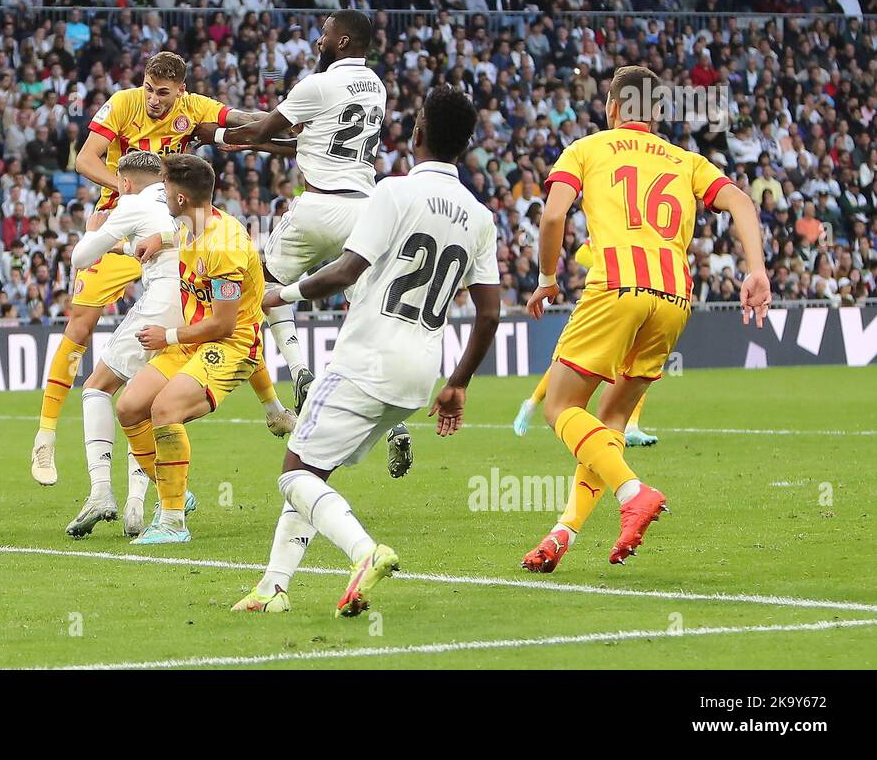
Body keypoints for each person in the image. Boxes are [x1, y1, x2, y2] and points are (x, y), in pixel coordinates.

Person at [235, 86, 501, 615]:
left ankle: (364, 553)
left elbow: (346, 270)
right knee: (314, 472)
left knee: (294, 474)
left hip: (365, 360)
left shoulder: (394, 193)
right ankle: (272, 589)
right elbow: (489, 312)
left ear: (417, 133)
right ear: (466, 147)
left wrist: (280, 294)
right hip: (420, 374)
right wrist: (458, 384)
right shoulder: (479, 217)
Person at [521, 65, 771, 573]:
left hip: (616, 287)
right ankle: (563, 533)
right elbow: (742, 203)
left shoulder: (588, 148)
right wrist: (756, 270)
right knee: (609, 421)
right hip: (675, 299)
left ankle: (633, 491)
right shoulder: (686, 161)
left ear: (612, 108)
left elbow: (551, 216)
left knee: (560, 406)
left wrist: (548, 277)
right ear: (656, 112)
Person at [30, 51, 294, 486]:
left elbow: (245, 118)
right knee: (80, 322)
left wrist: (292, 120)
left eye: (163, 93)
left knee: (223, 307)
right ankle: (45, 436)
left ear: (181, 91)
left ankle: (270, 407)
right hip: (119, 225)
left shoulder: (194, 109)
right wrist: (132, 193)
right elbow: (85, 160)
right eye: (150, 89)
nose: (153, 100)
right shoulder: (122, 103)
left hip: (171, 230)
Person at [200, 9, 414, 477]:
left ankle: (299, 370)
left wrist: (210, 134)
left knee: (266, 285)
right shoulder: (375, 87)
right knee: (368, 312)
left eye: (325, 32)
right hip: (365, 208)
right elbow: (302, 143)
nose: (318, 39)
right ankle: (393, 422)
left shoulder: (316, 86)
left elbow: (263, 130)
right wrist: (256, 142)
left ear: (342, 42)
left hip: (317, 207)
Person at [108, 154, 265, 544]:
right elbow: (176, 237)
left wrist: (169, 336)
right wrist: (147, 242)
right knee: (129, 408)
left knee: (165, 409)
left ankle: (173, 521)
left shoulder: (225, 246)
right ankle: (174, 492)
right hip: (193, 338)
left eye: (164, 188)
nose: (161, 193)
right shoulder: (190, 225)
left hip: (228, 345)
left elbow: (225, 323)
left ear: (179, 198)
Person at [63, 152, 183, 539]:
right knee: (144, 402)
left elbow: (82, 257)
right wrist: (125, 248)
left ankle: (101, 492)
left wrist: (91, 230)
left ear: (124, 183)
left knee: (98, 387)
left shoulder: (131, 203)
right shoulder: (179, 199)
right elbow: (170, 242)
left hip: (159, 305)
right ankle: (137, 506)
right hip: (192, 307)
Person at [513, 240, 660, 447]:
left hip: (636, 297)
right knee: (571, 359)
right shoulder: (613, 222)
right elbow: (582, 254)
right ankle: (531, 403)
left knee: (636, 363)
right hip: (607, 297)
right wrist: (611, 270)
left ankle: (631, 426)